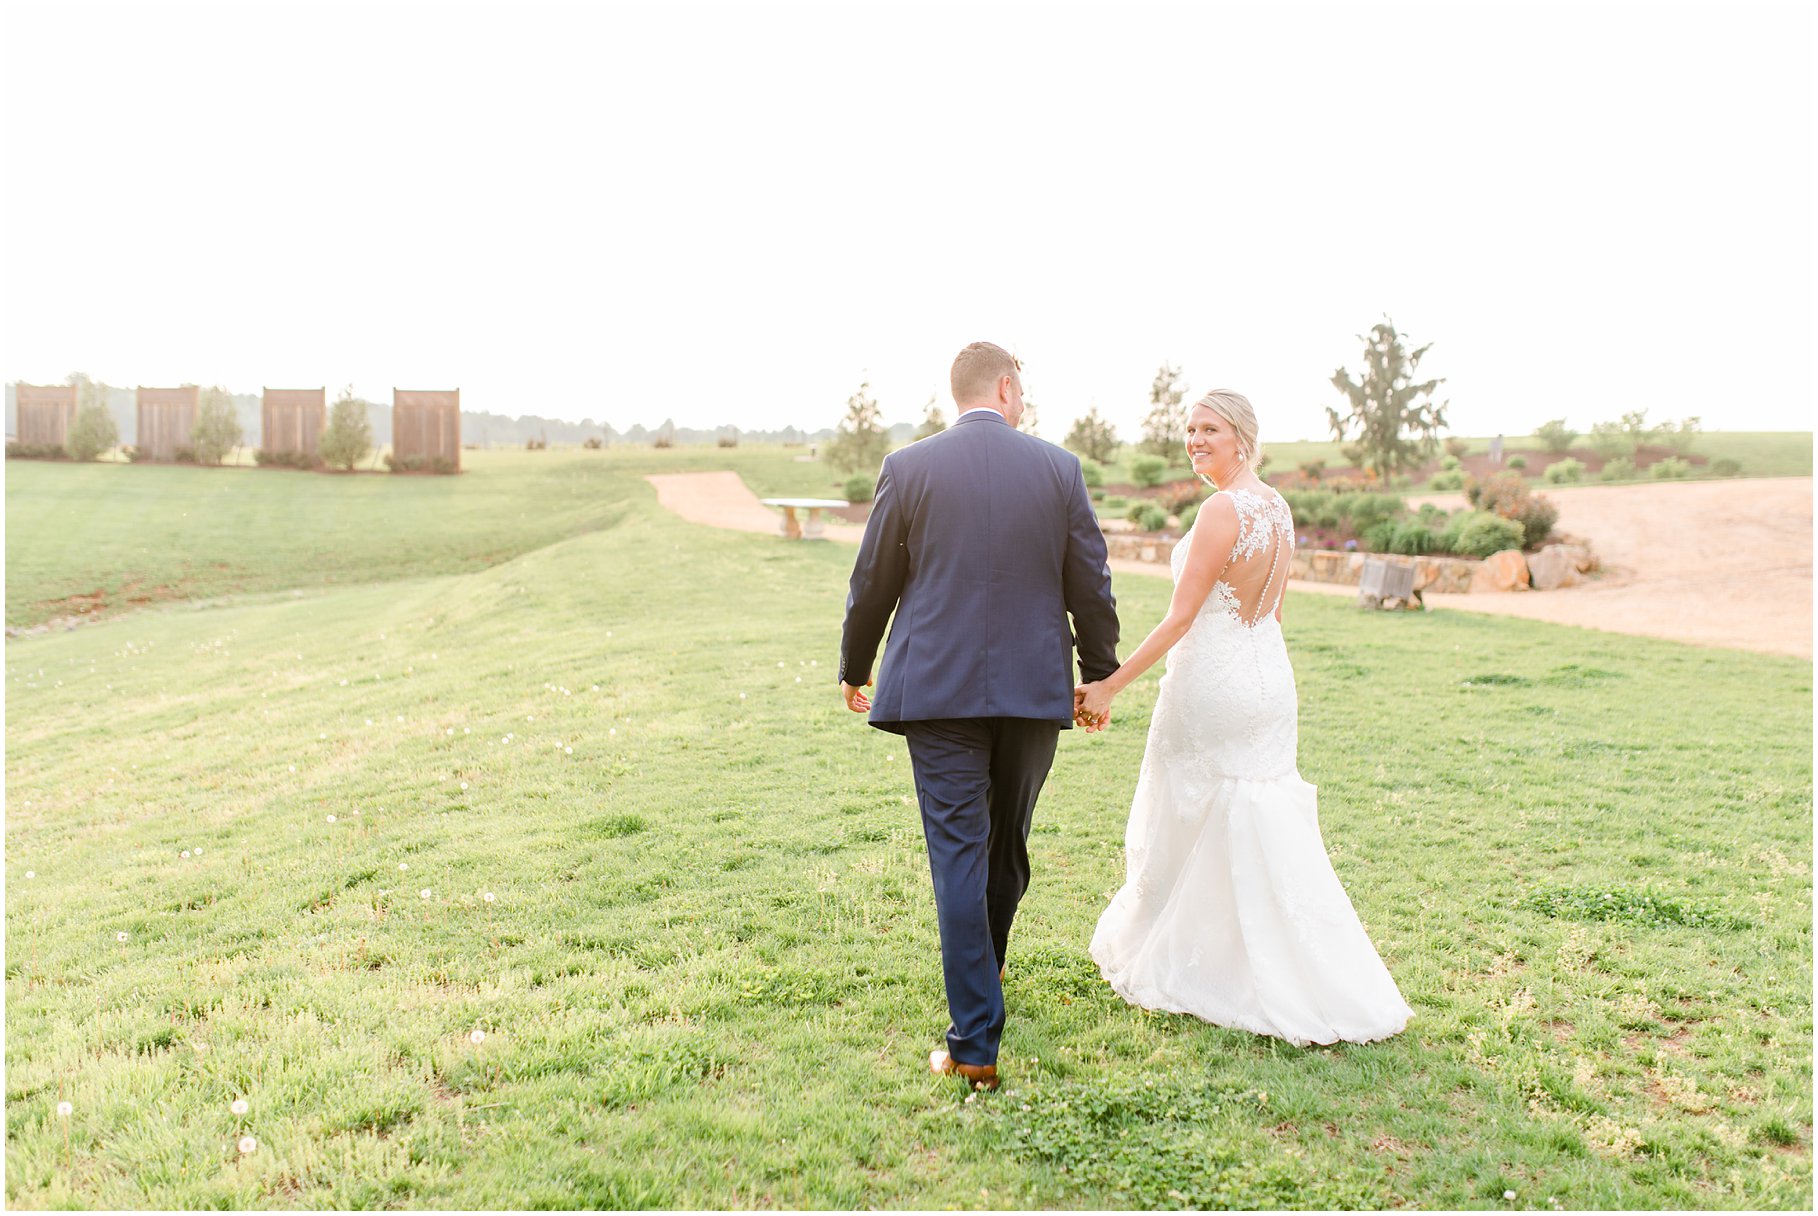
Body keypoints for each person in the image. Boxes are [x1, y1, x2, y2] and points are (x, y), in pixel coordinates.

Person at [1073, 390, 1413, 1046]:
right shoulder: (1278, 508)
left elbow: (1180, 618)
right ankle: (1278, 961)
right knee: (1253, 814)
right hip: (1267, 680)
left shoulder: (1223, 510)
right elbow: (1274, 610)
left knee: (1192, 812)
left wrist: (1110, 685)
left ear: (1242, 437)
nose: (1196, 440)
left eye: (1210, 429)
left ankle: (1210, 965)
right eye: (1191, 429)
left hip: (1216, 685)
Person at [839, 341, 1121, 1090]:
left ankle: (974, 1034)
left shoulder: (911, 467)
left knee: (962, 851)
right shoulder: (1058, 468)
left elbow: (874, 580)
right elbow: (1090, 583)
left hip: (935, 689)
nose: (1023, 402)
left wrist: (854, 663)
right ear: (1003, 386)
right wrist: (1097, 675)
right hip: (1032, 691)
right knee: (1007, 846)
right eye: (1021, 389)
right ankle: (979, 1005)